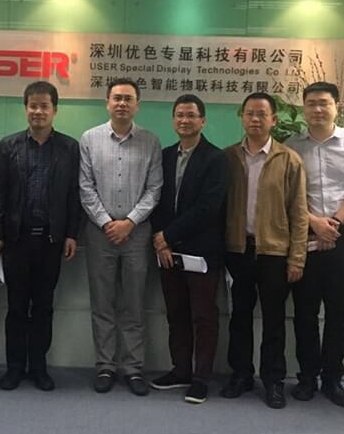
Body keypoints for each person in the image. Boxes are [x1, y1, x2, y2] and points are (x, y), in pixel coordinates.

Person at [0, 81, 82, 391]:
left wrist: (72, 233)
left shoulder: (69, 148)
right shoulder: (8, 147)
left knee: (43, 307)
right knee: (16, 307)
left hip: (51, 242)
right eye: (33, 105)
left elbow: (74, 195)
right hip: (16, 240)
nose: (38, 111)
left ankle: (39, 367)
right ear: (25, 108)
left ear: (55, 110)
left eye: (44, 106)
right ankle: (14, 367)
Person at [286, 82, 344, 408]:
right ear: (304, 108)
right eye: (311, 103)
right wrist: (315, 224)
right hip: (304, 235)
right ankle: (307, 377)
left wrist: (332, 224)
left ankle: (333, 377)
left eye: (324, 103)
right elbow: (287, 193)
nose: (318, 109)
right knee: (305, 311)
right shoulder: (291, 146)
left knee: (339, 311)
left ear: (337, 106)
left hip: (342, 236)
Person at [221, 92, 308, 409]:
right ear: (242, 118)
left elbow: (299, 213)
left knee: (274, 320)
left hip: (275, 253)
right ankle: (241, 374)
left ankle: (273, 381)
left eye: (261, 114)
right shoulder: (228, 158)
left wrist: (297, 257)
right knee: (239, 317)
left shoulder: (289, 159)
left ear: (273, 120)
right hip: (238, 250)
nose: (255, 119)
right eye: (249, 113)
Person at [79, 78, 163, 396]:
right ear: (107, 103)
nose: (122, 104)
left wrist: (129, 222)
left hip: (137, 234)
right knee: (102, 303)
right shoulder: (90, 139)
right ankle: (105, 365)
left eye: (128, 99)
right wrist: (106, 222)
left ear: (137, 105)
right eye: (117, 98)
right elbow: (85, 187)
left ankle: (133, 368)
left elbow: (154, 189)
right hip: (99, 234)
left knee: (133, 303)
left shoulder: (151, 141)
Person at [150, 94, 227, 405]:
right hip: (168, 252)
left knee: (203, 316)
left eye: (191, 115)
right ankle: (180, 370)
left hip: (202, 252)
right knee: (177, 313)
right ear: (173, 120)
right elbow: (156, 199)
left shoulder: (216, 159)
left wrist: (167, 235)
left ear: (202, 121)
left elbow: (209, 207)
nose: (185, 120)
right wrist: (161, 240)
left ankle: (201, 378)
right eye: (179, 115)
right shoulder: (165, 156)